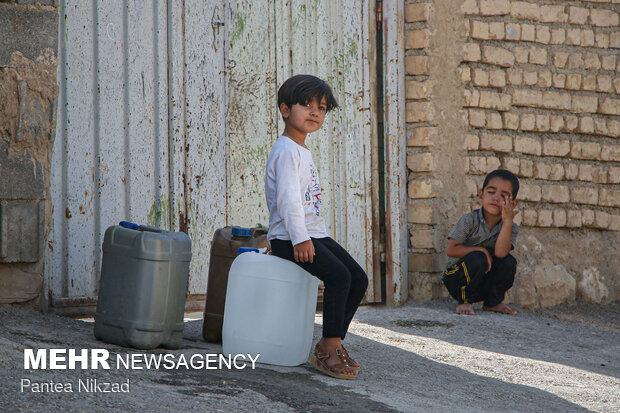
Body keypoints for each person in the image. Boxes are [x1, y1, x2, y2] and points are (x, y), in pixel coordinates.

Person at [265, 74, 368, 380]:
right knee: (338, 277)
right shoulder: (285, 150)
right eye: (306, 105)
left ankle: (329, 343)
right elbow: (288, 202)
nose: (314, 112)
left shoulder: (300, 150)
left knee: (358, 279)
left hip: (312, 233)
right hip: (291, 237)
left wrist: (310, 236)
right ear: (285, 110)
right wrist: (299, 239)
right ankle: (329, 351)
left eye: (321, 108)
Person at [442, 169, 520, 316]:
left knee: (509, 262)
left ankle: (493, 303)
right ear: (480, 194)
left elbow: (500, 253)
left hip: (483, 281)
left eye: (504, 195)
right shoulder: (470, 220)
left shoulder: (511, 228)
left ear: (513, 203)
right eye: (491, 192)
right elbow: (451, 250)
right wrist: (480, 251)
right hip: (457, 279)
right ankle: (464, 301)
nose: (496, 198)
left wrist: (508, 222)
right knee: (478, 257)